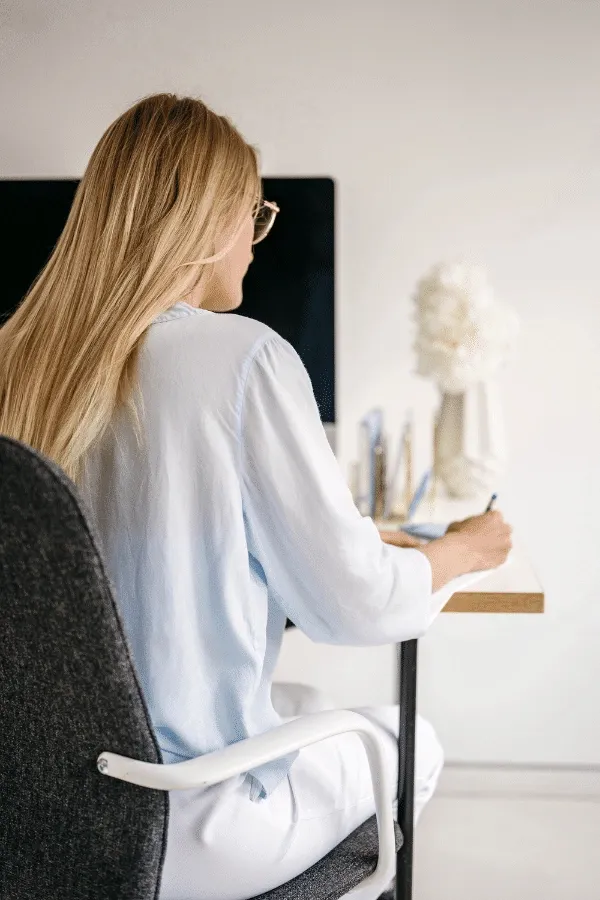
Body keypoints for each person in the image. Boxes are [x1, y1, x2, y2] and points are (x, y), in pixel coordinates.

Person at [0, 93, 512, 900]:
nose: (254, 239)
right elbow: (358, 609)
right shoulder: (242, 360)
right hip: (175, 824)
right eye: (253, 212)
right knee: (413, 741)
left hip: (31, 820)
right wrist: (459, 551)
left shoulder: (19, 360)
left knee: (296, 699)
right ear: (206, 222)